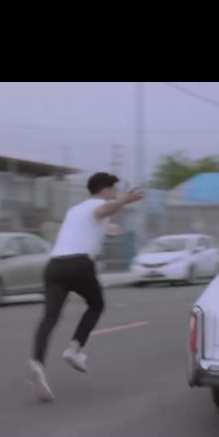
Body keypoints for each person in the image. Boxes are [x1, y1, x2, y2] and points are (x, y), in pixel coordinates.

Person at [28, 172, 145, 403]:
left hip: (54, 266)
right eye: (114, 190)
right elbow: (101, 211)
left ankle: (38, 362)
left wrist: (112, 226)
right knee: (96, 305)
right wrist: (123, 201)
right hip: (79, 264)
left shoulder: (75, 210)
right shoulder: (98, 206)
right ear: (106, 189)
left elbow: (94, 225)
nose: (115, 194)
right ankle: (74, 349)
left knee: (50, 317)